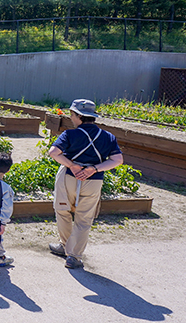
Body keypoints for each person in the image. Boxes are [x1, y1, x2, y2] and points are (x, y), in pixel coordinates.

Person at [47, 99, 123, 270]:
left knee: (62, 210)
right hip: (93, 181)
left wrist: (73, 166)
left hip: (69, 177)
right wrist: (94, 169)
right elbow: (117, 160)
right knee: (84, 218)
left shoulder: (70, 134)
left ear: (79, 116)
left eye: (72, 114)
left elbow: (53, 152)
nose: (71, 117)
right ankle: (73, 255)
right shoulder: (108, 137)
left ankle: (65, 245)